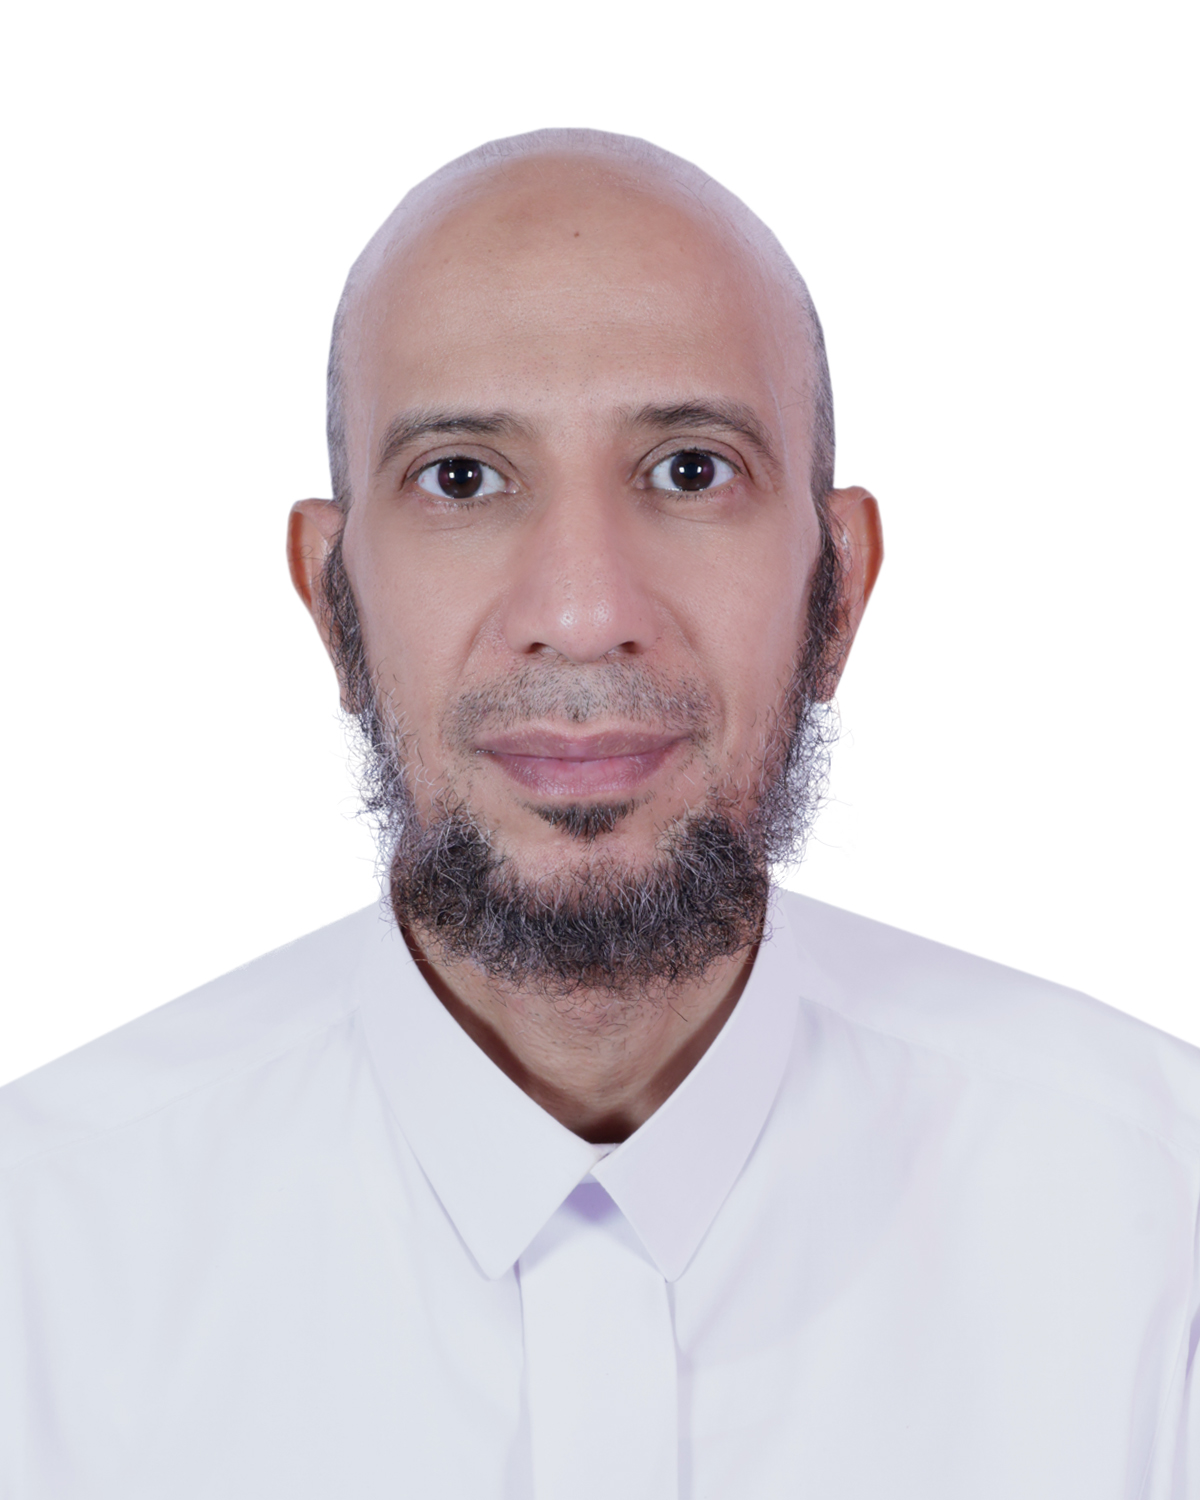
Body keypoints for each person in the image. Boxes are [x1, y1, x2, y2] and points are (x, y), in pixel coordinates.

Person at [1, 128, 1196, 1500]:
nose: (581, 611)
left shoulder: (1161, 1241)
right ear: (335, 602)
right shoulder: (36, 1269)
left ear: (840, 590)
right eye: (461, 476)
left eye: (691, 469)